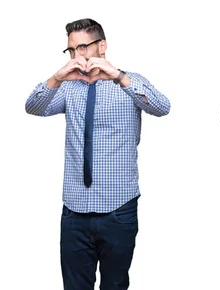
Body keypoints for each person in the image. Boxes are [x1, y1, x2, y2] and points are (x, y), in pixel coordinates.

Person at [25, 18, 170, 290]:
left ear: (101, 46)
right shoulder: (68, 87)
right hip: (74, 211)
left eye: (83, 47)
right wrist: (57, 77)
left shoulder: (129, 83)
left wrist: (119, 76)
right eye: (71, 50)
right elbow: (33, 107)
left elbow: (162, 107)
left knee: (115, 285)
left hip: (118, 209)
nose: (76, 56)